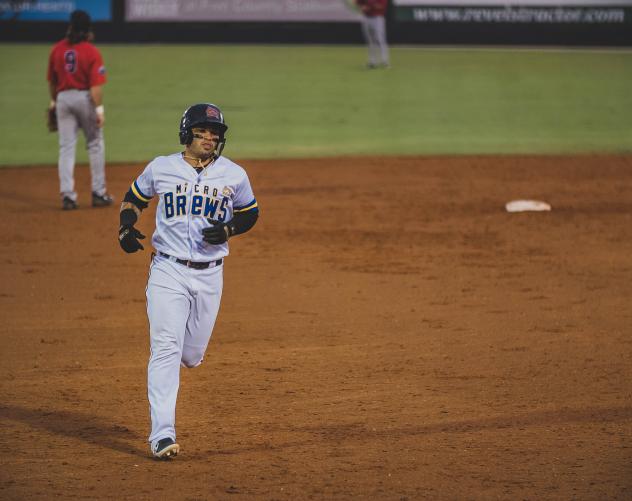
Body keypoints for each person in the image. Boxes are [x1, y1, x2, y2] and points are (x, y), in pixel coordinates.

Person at [118, 103, 259, 459]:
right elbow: (135, 198)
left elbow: (250, 212)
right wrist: (125, 224)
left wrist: (228, 228)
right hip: (168, 270)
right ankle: (162, 434)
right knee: (165, 348)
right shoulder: (161, 167)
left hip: (210, 275)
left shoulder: (234, 174)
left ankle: (184, 354)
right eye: (203, 131)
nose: (210, 138)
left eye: (215, 133)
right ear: (187, 133)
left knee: (191, 355)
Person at [47, 9, 113, 210]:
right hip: (84, 98)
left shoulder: (57, 49)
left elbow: (52, 83)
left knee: (66, 147)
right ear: (87, 30)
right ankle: (98, 193)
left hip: (63, 99)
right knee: (95, 143)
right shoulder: (91, 51)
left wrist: (54, 102)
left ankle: (68, 197)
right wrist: (99, 111)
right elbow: (95, 89)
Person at [355, 0, 390, 69]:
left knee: (380, 39)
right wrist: (362, 6)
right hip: (366, 17)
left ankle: (385, 61)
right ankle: (372, 62)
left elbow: (381, 7)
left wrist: (370, 6)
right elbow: (357, 2)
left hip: (377, 18)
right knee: (370, 41)